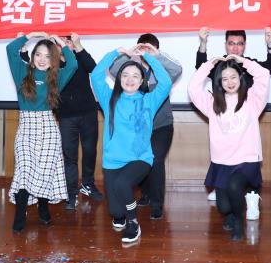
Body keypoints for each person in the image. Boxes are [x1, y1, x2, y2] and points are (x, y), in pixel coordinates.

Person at [91, 45, 171, 245]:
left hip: (140, 158)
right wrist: (115, 53)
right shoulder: (109, 98)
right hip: (113, 161)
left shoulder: (149, 100)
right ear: (119, 78)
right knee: (116, 212)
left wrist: (147, 57)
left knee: (122, 184)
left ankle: (133, 223)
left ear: (142, 81)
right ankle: (121, 215)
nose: (130, 79)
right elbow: (96, 75)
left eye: (135, 76)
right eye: (125, 75)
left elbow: (166, 82)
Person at [188, 54, 269, 241]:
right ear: (219, 82)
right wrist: (209, 65)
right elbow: (192, 88)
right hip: (222, 161)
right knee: (224, 207)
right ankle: (231, 215)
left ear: (240, 77)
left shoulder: (252, 100)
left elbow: (263, 75)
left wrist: (244, 62)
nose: (230, 82)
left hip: (247, 159)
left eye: (233, 77)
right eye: (224, 79)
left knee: (234, 186)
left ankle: (239, 222)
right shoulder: (212, 103)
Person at [197, 26, 271, 207]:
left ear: (245, 46)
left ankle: (251, 196)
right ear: (225, 45)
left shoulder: (249, 65)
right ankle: (223, 187)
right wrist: (203, 44)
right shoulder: (220, 65)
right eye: (231, 44)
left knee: (247, 162)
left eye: (239, 44)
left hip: (246, 120)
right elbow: (199, 69)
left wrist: (269, 44)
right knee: (225, 168)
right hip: (224, 120)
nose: (235, 48)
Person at [6, 32, 77, 232]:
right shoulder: (22, 71)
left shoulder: (56, 77)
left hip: (48, 128)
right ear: (32, 56)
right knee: (25, 169)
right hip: (26, 127)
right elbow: (11, 49)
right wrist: (31, 35)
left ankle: (43, 207)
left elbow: (72, 65)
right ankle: (20, 213)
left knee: (45, 171)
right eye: (38, 54)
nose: (42, 59)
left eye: (48, 56)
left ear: (53, 59)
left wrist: (61, 43)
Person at [109, 33, 182, 220]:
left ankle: (157, 204)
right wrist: (129, 54)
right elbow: (114, 69)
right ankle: (146, 194)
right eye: (143, 48)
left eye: (149, 49)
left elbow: (178, 70)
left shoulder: (162, 70)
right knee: (137, 160)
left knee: (155, 161)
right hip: (138, 130)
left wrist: (156, 56)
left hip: (161, 126)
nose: (145, 52)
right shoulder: (133, 71)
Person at [56, 33, 104, 210]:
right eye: (61, 41)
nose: (65, 44)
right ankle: (71, 193)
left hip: (88, 112)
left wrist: (78, 46)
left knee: (90, 150)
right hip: (66, 116)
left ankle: (88, 184)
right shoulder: (52, 63)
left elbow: (94, 69)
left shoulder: (79, 57)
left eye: (68, 40)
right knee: (70, 156)